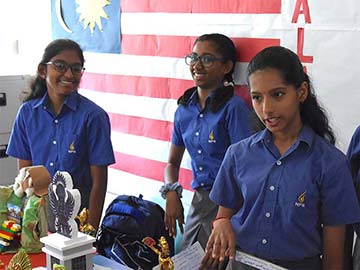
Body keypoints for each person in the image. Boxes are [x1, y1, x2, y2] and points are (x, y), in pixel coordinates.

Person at [201, 46, 360, 270]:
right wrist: (221, 223)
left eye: (277, 95)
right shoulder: (238, 154)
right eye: (257, 98)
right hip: (241, 263)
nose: (267, 109)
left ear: (301, 92)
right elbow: (222, 216)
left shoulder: (330, 163)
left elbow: (334, 255)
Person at [6, 39, 115, 231]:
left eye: (76, 68)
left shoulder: (93, 116)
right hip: (38, 217)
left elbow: (99, 182)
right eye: (60, 66)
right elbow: (25, 175)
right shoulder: (27, 113)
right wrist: (27, 224)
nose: (69, 74)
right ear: (43, 71)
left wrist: (90, 230)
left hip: (78, 220)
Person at [160, 33, 253, 251]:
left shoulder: (234, 108)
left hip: (231, 203)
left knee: (221, 260)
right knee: (185, 260)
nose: (197, 65)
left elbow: (246, 167)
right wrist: (171, 192)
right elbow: (172, 163)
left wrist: (225, 216)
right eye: (193, 58)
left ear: (227, 66)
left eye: (208, 59)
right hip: (200, 200)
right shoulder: (184, 110)